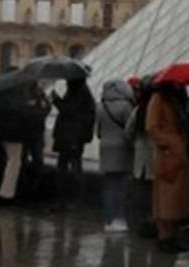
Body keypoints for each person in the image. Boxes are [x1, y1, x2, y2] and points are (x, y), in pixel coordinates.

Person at [145, 81, 189, 253]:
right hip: (169, 157)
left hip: (179, 156)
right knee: (167, 198)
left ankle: (171, 237)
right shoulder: (158, 99)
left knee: (175, 199)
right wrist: (172, 142)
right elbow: (152, 127)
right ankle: (165, 237)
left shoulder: (176, 101)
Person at [52, 78, 96, 209]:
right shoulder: (81, 92)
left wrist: (56, 99)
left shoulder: (78, 92)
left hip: (71, 137)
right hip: (72, 137)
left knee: (70, 167)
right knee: (69, 166)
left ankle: (72, 200)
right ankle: (69, 200)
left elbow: (68, 111)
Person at [97, 79, 135, 232]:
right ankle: (119, 219)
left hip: (104, 147)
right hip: (121, 148)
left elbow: (98, 132)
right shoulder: (126, 106)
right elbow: (130, 129)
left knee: (109, 185)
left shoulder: (100, 106)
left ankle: (109, 219)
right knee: (121, 185)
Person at [124, 78, 156, 237]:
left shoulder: (138, 110)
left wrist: (136, 144)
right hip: (154, 159)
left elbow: (128, 132)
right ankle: (151, 223)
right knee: (152, 195)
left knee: (140, 193)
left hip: (139, 159)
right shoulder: (157, 110)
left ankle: (141, 222)